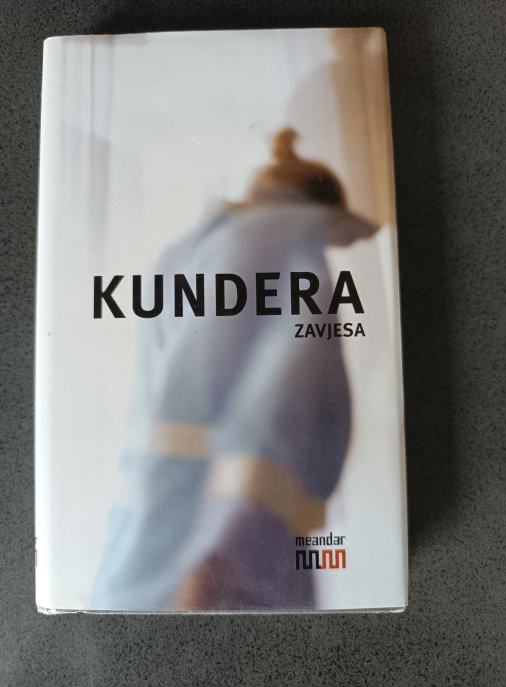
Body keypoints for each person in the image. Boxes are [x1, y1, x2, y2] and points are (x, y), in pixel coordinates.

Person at [92, 128, 378, 611]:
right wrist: (224, 557)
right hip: (228, 561)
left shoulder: (186, 252)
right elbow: (278, 403)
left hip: (148, 536)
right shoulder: (292, 245)